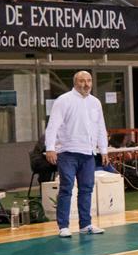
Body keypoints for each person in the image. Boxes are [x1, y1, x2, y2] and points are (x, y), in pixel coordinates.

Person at [43, 71, 108, 237]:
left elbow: (100, 127)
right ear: (75, 82)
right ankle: (63, 226)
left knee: (86, 189)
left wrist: (104, 149)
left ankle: (85, 224)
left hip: (88, 153)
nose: (86, 84)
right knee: (66, 188)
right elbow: (53, 126)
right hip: (67, 153)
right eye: (82, 81)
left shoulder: (95, 102)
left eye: (88, 81)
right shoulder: (64, 100)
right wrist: (50, 148)